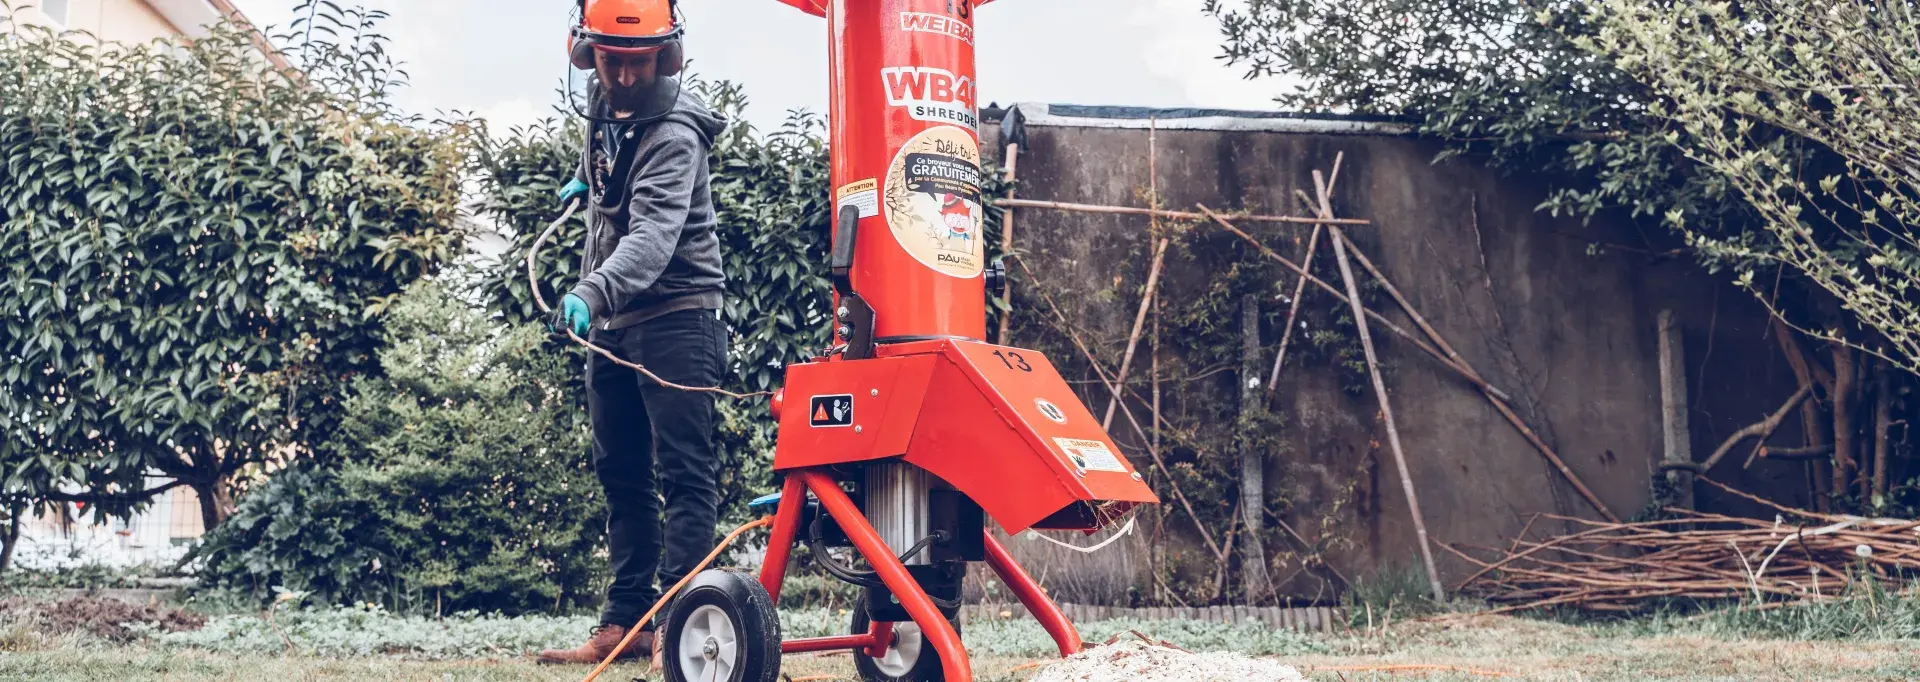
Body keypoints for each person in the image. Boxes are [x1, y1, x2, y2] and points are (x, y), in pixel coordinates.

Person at [536, 0, 730, 668]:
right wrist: (590, 180)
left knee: (685, 476)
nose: (621, 77)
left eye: (635, 62)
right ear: (589, 53)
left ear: (665, 55)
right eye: (611, 61)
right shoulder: (601, 97)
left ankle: (683, 627)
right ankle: (626, 623)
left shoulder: (676, 133)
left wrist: (590, 290)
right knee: (620, 473)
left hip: (679, 314)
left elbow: (651, 238)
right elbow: (614, 168)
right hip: (619, 322)